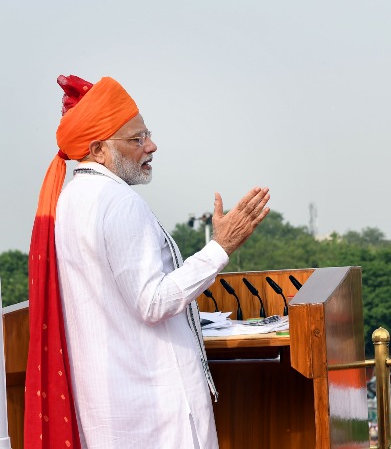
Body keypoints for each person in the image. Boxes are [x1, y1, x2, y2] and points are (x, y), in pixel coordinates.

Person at [25, 75, 271, 448]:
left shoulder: (71, 199)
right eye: (136, 139)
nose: (151, 146)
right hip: (154, 412)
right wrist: (220, 246)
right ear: (98, 150)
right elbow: (152, 302)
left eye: (147, 134)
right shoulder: (119, 202)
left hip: (113, 408)